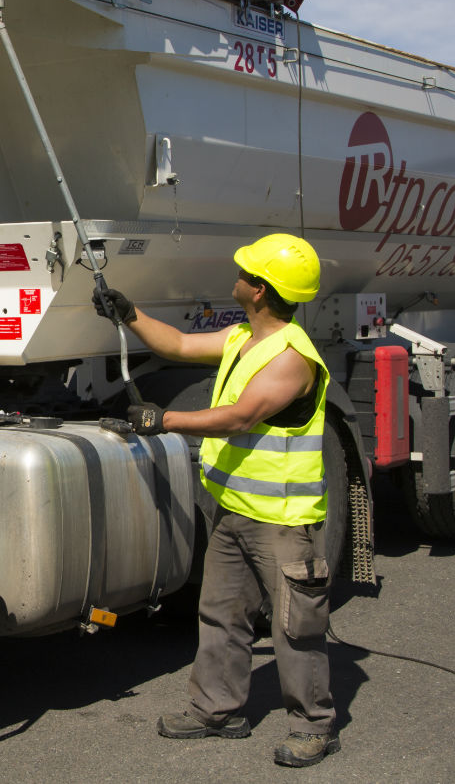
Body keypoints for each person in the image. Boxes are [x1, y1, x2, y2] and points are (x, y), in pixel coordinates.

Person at [93, 233, 338, 768]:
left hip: (283, 521)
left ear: (261, 290)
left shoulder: (293, 358)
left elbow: (242, 416)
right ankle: (217, 711)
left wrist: (165, 421)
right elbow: (178, 345)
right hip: (235, 512)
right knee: (222, 614)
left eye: (245, 273)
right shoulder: (242, 337)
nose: (236, 278)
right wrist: (129, 313)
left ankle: (314, 725)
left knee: (296, 627)